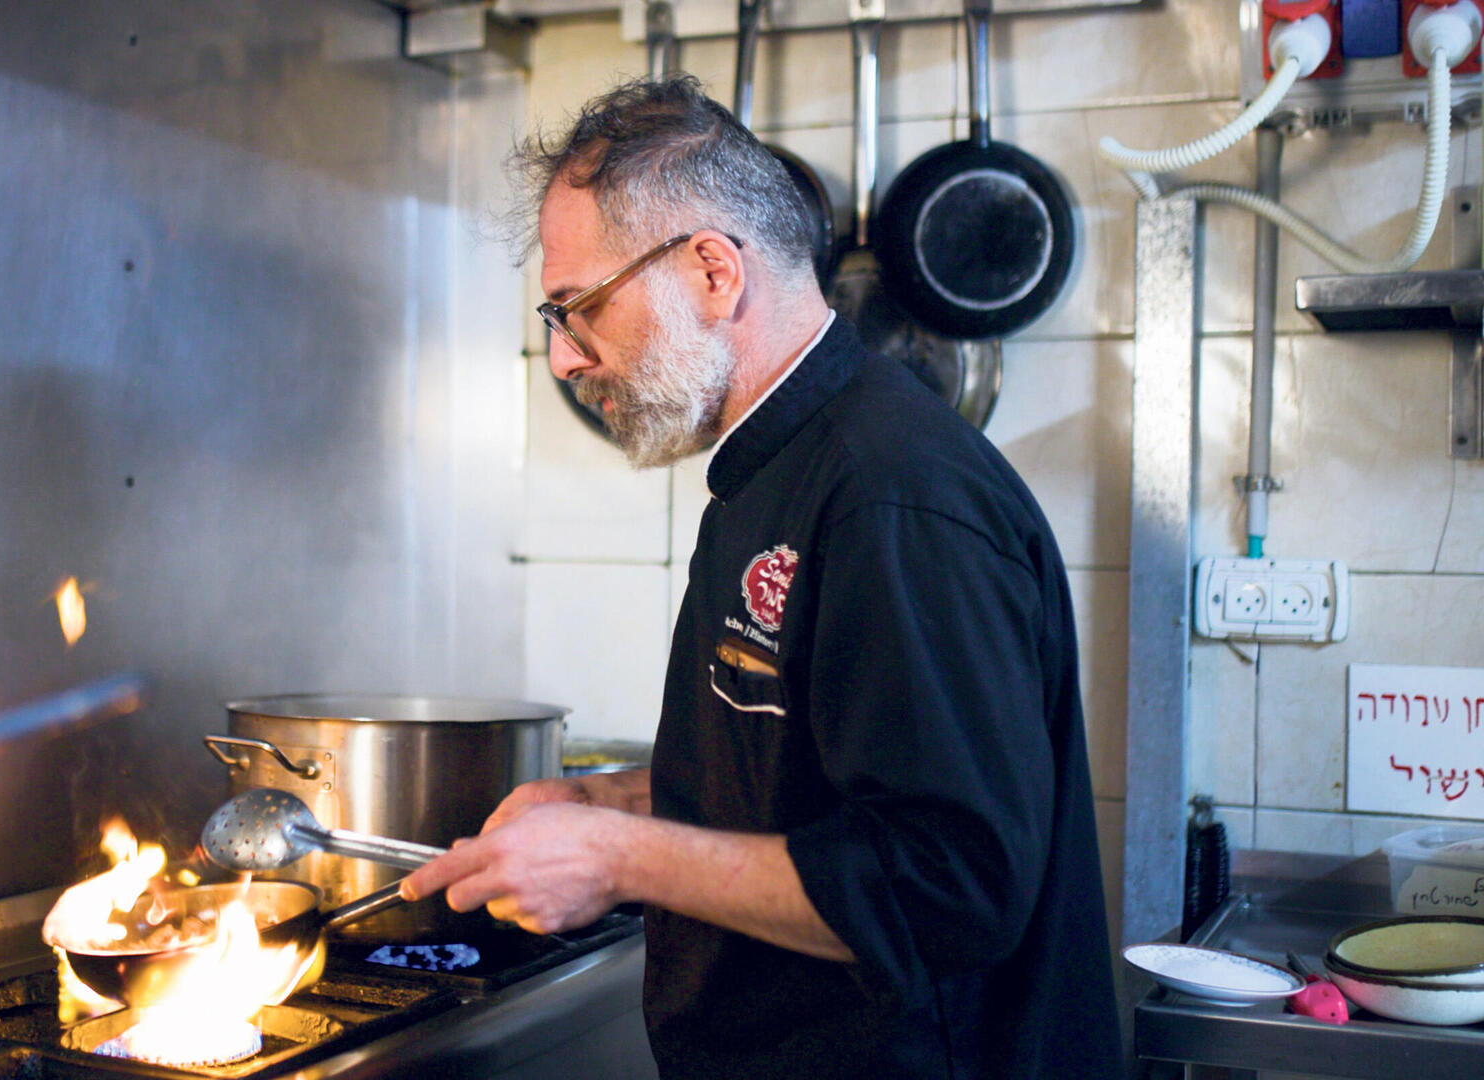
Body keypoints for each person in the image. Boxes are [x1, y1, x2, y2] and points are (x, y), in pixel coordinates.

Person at [399, 76, 1123, 1078]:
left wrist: (618, 860)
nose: (566, 360)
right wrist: (608, 805)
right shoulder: (772, 471)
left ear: (710, 273)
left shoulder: (890, 493)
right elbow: (801, 779)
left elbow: (950, 882)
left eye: (580, 309)